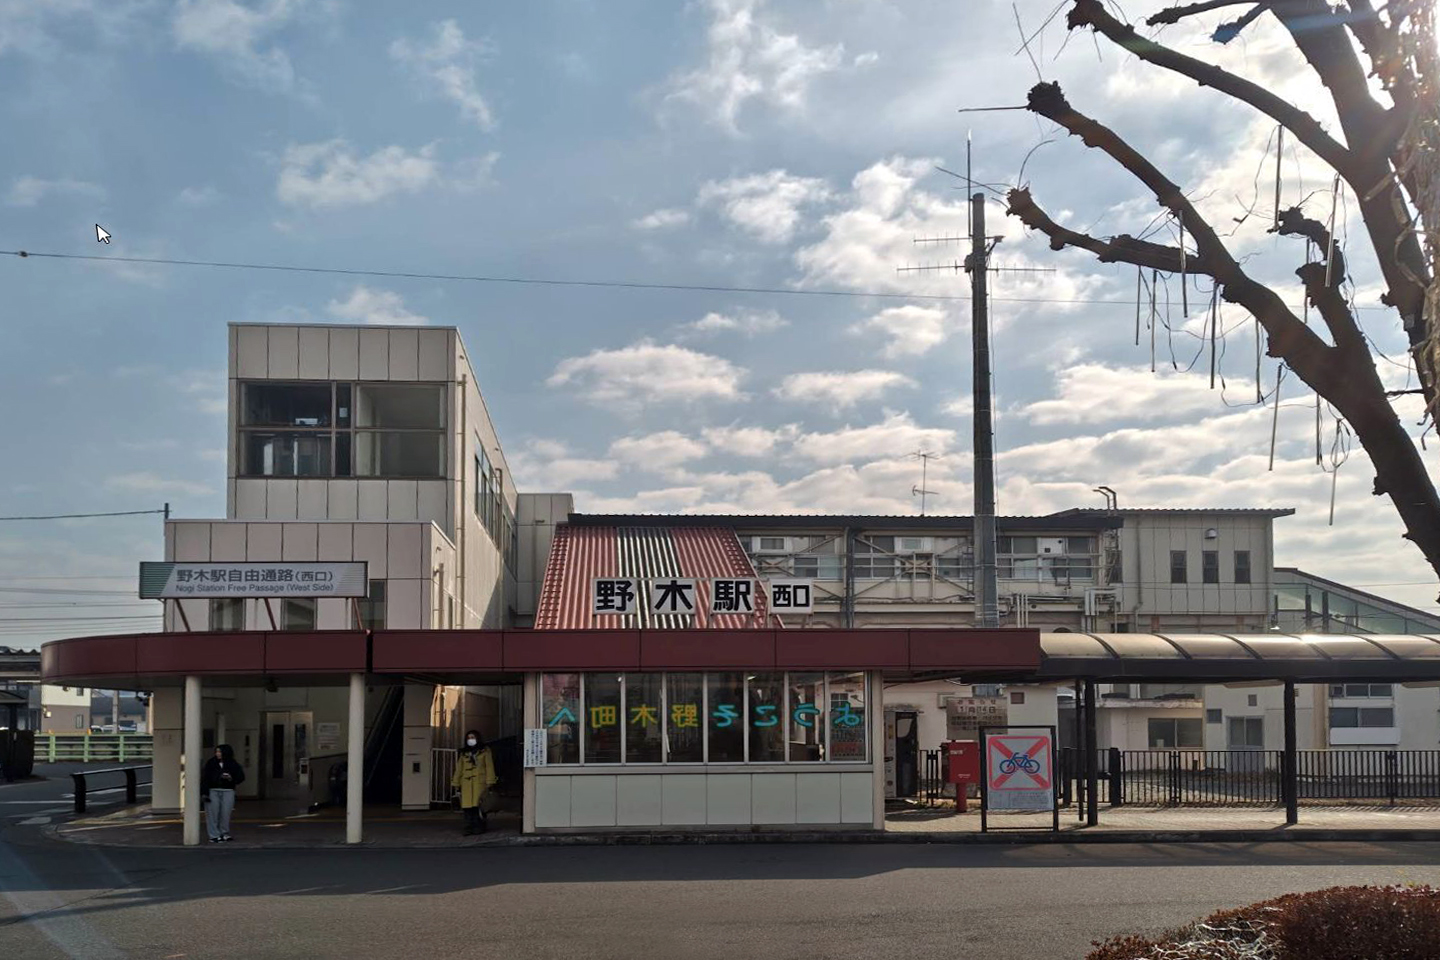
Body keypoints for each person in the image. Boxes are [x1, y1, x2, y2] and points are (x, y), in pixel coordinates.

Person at [451, 730, 496, 836]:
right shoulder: (464, 753)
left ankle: (479, 827)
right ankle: (468, 828)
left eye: (473, 737)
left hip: (479, 783)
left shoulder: (485, 751)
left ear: (477, 738)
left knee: (479, 807)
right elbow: (459, 769)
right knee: (467, 809)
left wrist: (490, 781)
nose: (470, 740)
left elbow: (489, 767)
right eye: (468, 738)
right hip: (466, 784)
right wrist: (456, 782)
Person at [201, 744, 245, 843]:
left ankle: (224, 833)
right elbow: (205, 778)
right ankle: (214, 835)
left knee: (226, 813)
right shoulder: (211, 763)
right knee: (213, 814)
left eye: (220, 752)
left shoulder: (233, 763)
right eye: (216, 751)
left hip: (228, 790)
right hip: (213, 790)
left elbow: (240, 777)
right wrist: (204, 792)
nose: (218, 754)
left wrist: (231, 778)